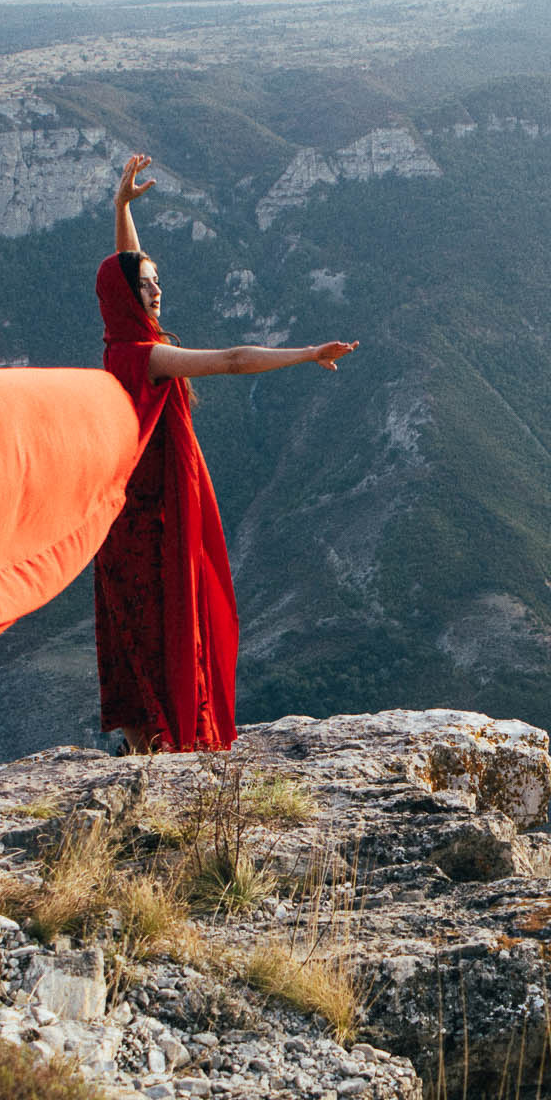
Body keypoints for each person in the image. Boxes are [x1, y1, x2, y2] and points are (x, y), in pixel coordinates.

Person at [94, 154, 355, 753]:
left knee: (139, 632)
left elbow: (122, 276)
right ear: (130, 299)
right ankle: (167, 746)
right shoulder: (147, 357)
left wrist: (122, 211)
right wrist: (309, 353)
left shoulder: (121, 340)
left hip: (130, 518)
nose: (159, 289)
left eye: (158, 279)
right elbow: (235, 360)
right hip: (155, 518)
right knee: (169, 625)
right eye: (149, 285)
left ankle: (150, 745)